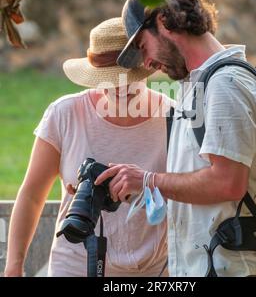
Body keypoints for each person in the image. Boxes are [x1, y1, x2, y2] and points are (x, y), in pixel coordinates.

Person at [95, 0, 256, 277]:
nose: (147, 64)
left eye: (143, 47)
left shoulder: (225, 86)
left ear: (165, 22)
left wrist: (148, 180)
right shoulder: (197, 86)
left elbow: (228, 183)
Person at [4, 17, 174, 277]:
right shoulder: (65, 114)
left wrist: (146, 184)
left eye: (130, 78)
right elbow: (31, 195)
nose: (121, 87)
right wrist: (14, 267)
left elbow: (194, 191)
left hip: (155, 270)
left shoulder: (173, 117)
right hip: (74, 265)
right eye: (110, 80)